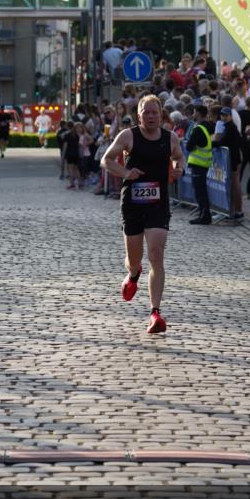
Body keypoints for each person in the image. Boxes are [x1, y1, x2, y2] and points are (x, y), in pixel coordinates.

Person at [101, 94, 185, 334]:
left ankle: (155, 312)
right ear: (139, 116)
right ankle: (133, 273)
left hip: (158, 204)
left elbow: (179, 157)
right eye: (146, 113)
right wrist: (126, 173)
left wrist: (180, 168)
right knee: (135, 259)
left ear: (161, 115)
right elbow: (106, 161)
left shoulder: (170, 138)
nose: (150, 116)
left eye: (154, 112)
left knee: (156, 255)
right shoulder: (128, 136)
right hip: (133, 205)